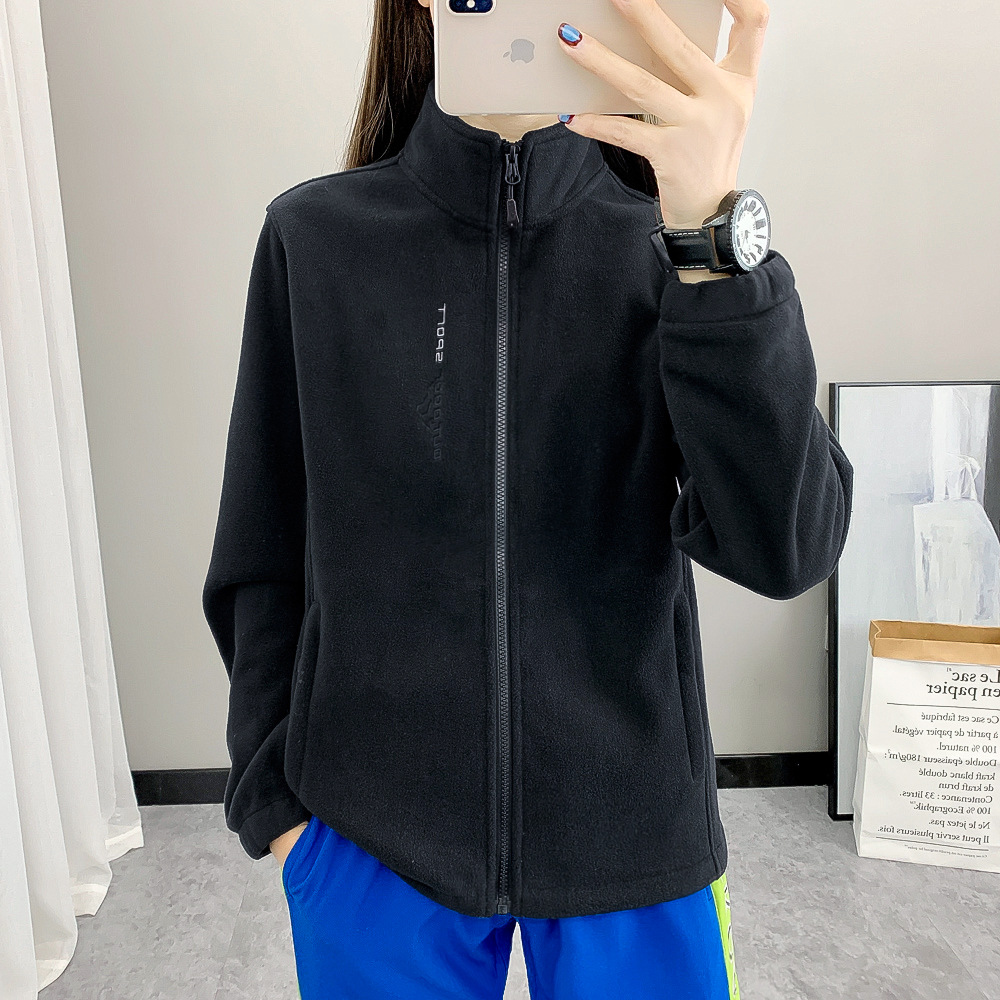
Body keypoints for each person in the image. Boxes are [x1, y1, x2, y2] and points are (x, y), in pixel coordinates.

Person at [202, 0, 853, 997]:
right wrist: (277, 807)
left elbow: (787, 548)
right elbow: (263, 545)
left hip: (636, 837)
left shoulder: (673, 248)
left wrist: (713, 234)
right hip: (369, 841)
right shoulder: (315, 239)